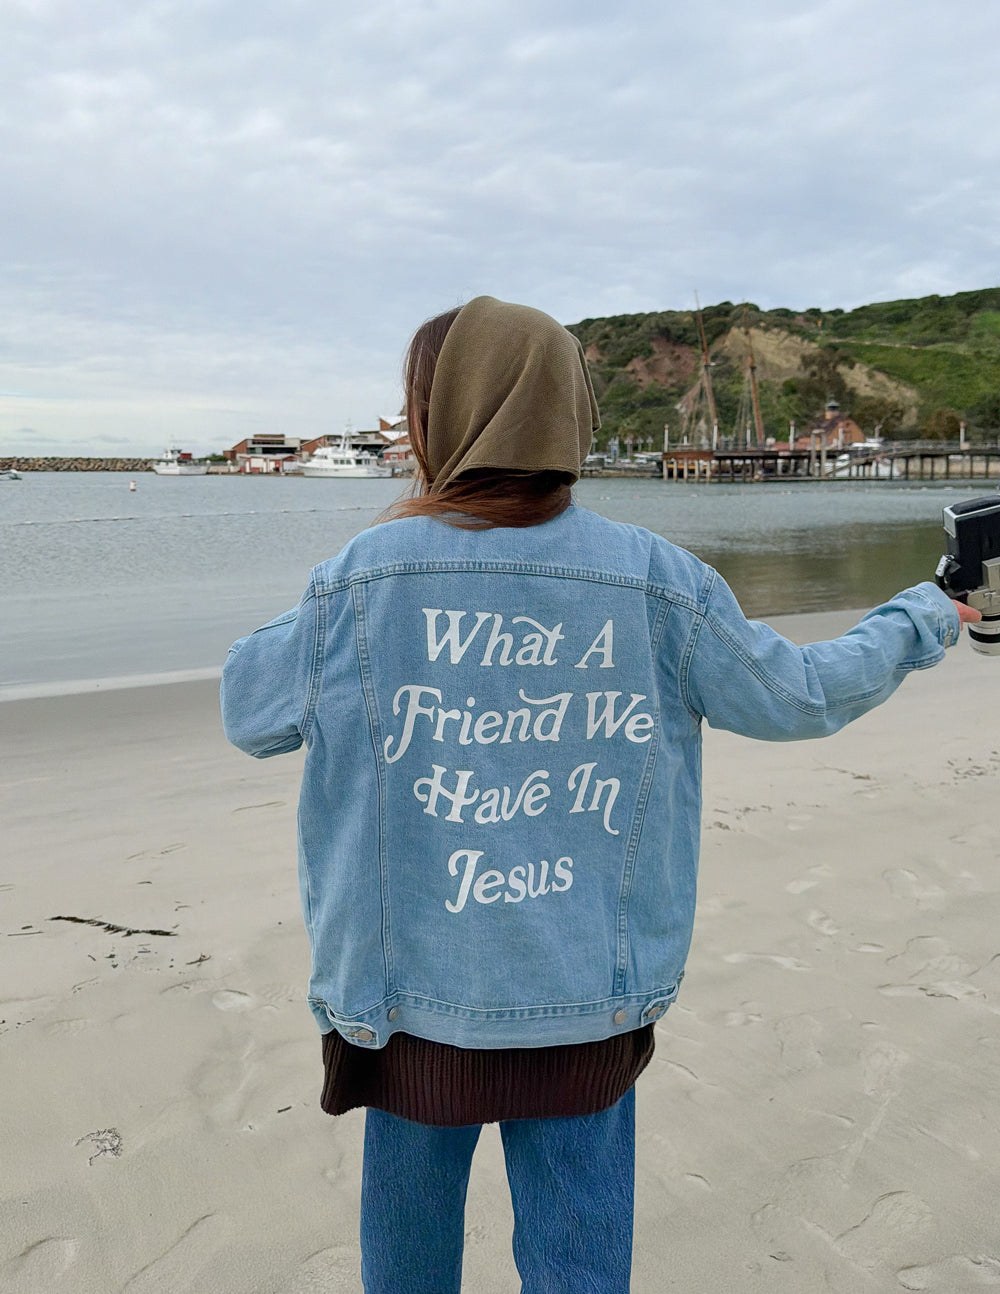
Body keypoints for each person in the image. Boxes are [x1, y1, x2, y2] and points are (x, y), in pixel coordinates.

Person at [221, 296, 979, 1293]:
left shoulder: (360, 580)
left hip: (406, 1004)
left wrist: (375, 583)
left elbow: (250, 708)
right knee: (577, 1265)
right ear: (570, 414)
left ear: (436, 417)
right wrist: (922, 613)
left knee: (405, 1265)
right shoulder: (657, 580)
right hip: (582, 998)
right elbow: (799, 695)